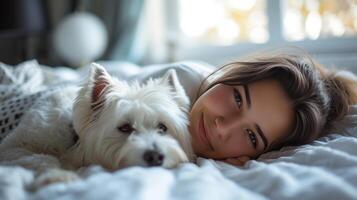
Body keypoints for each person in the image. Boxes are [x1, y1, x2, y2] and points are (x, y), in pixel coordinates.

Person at [182, 49, 357, 166]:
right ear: (234, 74)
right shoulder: (179, 79)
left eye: (252, 136)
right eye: (238, 99)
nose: (223, 127)